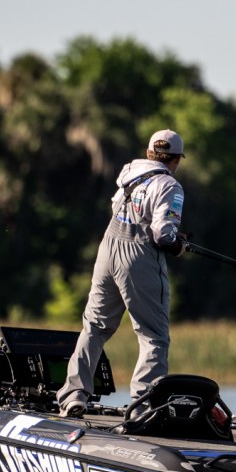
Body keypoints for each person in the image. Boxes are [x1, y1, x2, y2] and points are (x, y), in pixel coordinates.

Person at [57, 129, 188, 417]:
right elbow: (162, 234)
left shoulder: (130, 172)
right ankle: (143, 406)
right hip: (138, 256)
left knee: (94, 327)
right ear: (176, 159)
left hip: (108, 248)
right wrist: (179, 246)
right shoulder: (170, 185)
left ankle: (73, 395)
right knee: (154, 337)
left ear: (150, 153)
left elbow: (119, 206)